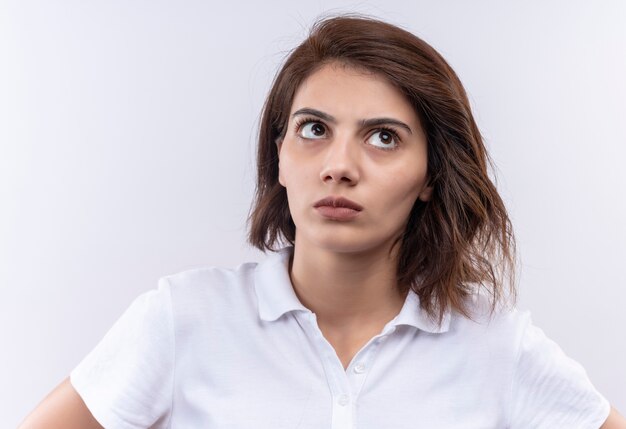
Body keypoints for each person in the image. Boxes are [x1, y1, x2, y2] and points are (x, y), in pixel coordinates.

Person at [19, 14, 626, 429]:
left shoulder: (497, 346)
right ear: (278, 154)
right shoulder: (184, 318)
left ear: (432, 176)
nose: (339, 166)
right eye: (314, 129)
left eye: (384, 137)